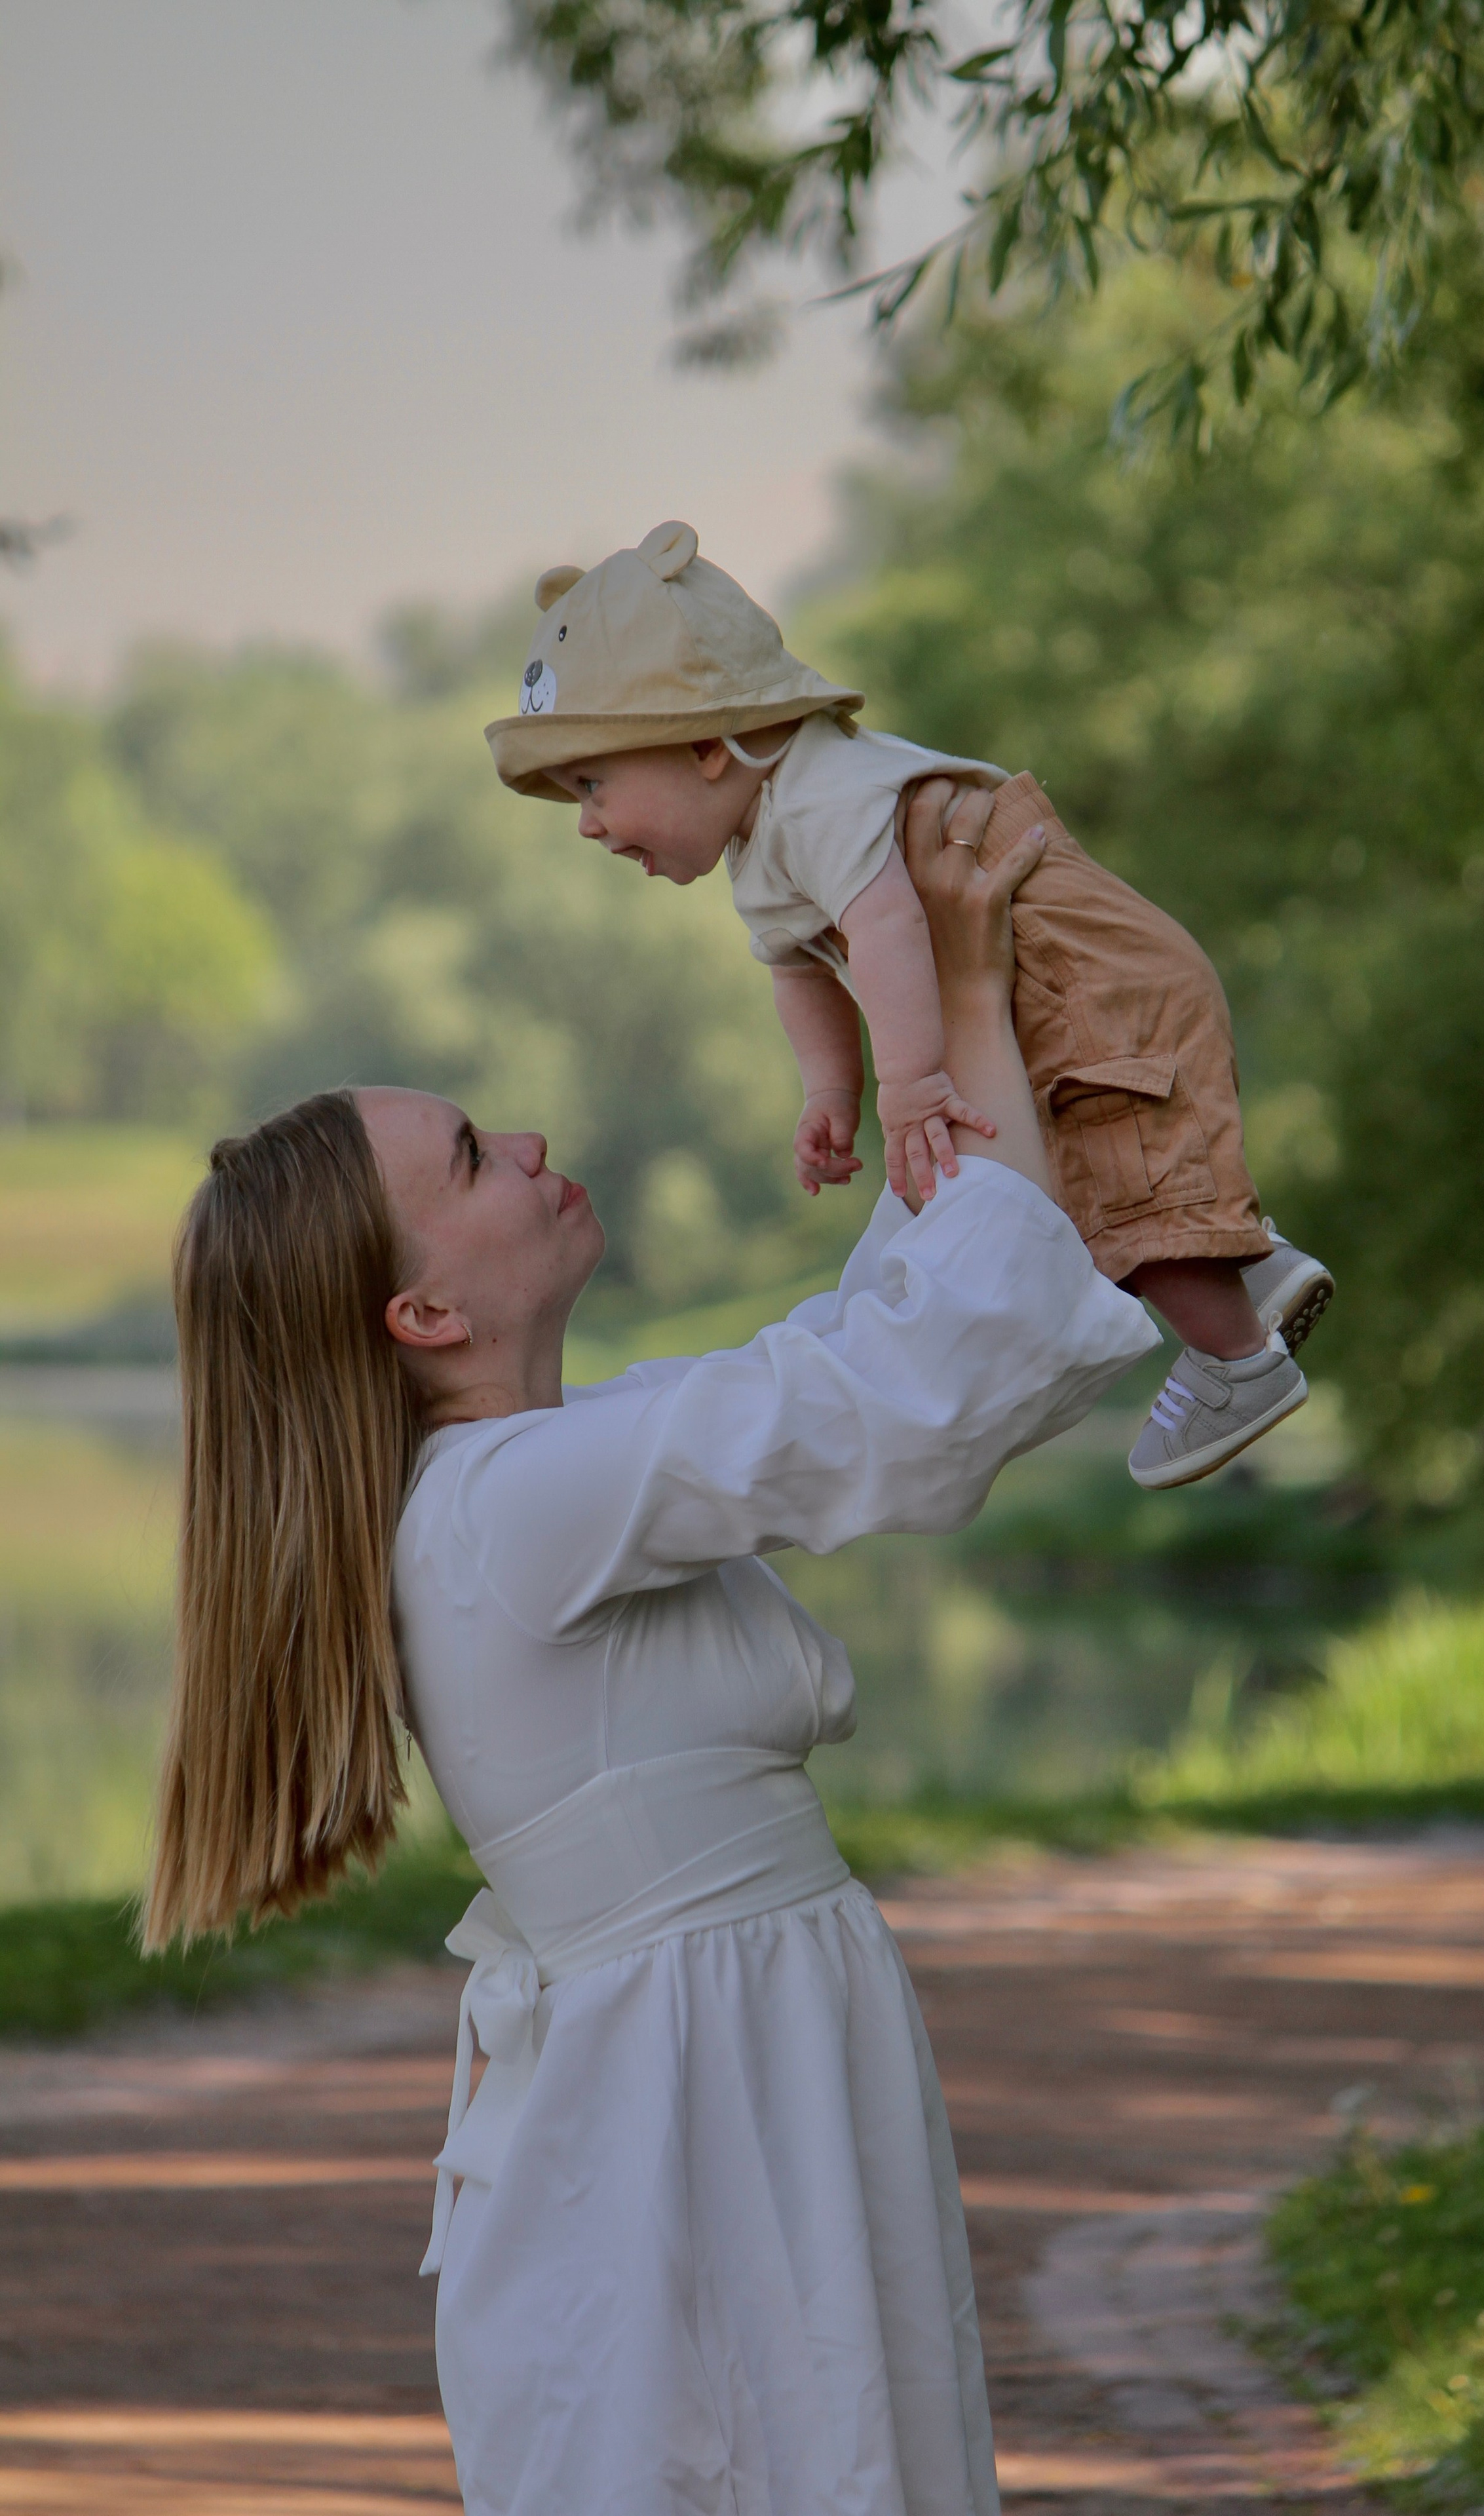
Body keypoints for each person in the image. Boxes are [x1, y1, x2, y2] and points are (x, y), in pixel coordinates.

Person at [143, 788, 1161, 2516]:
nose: (530, 1146)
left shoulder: (534, 1475)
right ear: (424, 1318)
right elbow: (893, 1410)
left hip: (726, 2058)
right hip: (683, 2108)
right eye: (472, 1157)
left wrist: (928, 1031)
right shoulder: (511, 1507)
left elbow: (841, 1355)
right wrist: (969, 1011)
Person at [484, 518, 1335, 1490]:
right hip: (1046, 987)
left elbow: (887, 927)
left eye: (593, 783)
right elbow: (800, 968)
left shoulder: (817, 795)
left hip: (1080, 976)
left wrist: (914, 1084)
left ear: (705, 746)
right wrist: (828, 1093)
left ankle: (1238, 1366)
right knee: (1081, 1159)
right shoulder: (761, 843)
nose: (588, 824)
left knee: (1100, 1172)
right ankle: (1253, 1267)